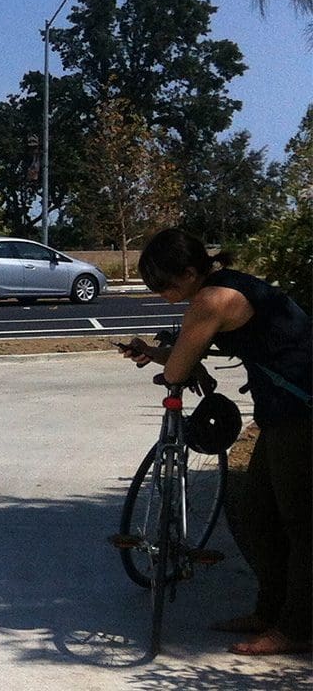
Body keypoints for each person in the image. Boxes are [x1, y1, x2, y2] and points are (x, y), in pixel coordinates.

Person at [121, 227, 311, 656]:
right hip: (285, 413)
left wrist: (169, 365)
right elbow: (183, 357)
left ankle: (297, 628)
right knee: (254, 513)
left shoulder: (212, 300)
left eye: (166, 284)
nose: (163, 293)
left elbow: (178, 371)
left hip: (303, 413)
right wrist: (153, 352)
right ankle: (270, 612)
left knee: (301, 525)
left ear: (190, 272)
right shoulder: (225, 286)